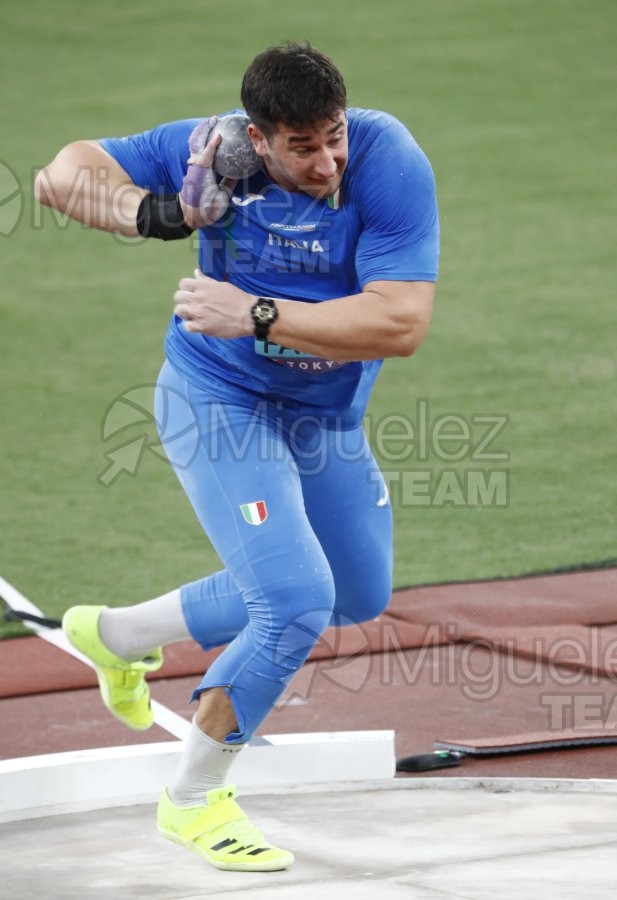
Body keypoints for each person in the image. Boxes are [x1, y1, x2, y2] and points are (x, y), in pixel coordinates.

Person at [35, 42, 439, 872]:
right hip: (218, 404)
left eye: (333, 137)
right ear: (258, 139)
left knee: (354, 594)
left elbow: (399, 325)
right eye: (302, 146)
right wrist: (157, 215)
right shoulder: (208, 150)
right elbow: (58, 177)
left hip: (320, 417)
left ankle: (113, 635)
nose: (327, 161)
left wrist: (254, 311)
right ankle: (193, 800)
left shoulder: (387, 157)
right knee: (292, 602)